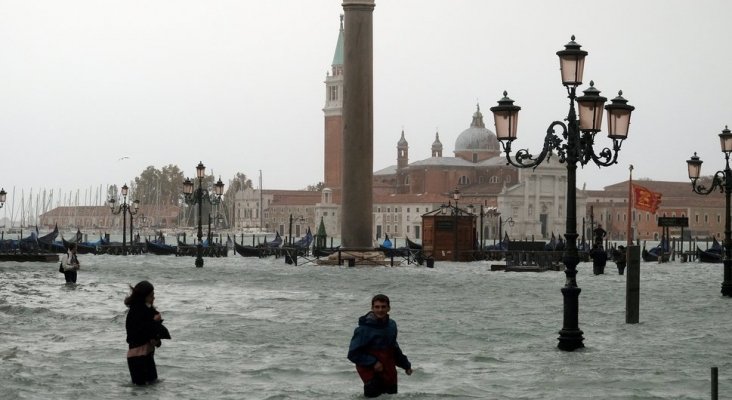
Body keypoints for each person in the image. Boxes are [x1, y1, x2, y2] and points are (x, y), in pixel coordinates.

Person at [348, 294, 413, 398]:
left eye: (383, 307)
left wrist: (406, 365)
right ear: (372, 308)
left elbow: (394, 348)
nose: (380, 310)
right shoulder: (363, 329)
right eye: (377, 307)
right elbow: (353, 353)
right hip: (371, 374)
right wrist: (373, 362)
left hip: (390, 373)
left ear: (388, 308)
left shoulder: (392, 325)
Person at [124, 280, 171, 386]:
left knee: (150, 388)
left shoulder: (146, 309)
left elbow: (153, 334)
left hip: (146, 355)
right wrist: (155, 322)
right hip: (138, 358)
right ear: (144, 296)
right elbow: (141, 332)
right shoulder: (136, 311)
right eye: (151, 296)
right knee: (144, 390)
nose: (154, 298)